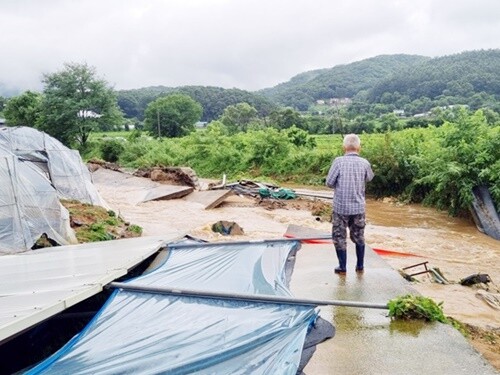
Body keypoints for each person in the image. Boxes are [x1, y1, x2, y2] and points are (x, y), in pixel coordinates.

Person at [326, 134, 374, 274]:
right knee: (359, 235)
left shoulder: (338, 162)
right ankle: (360, 266)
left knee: (339, 237)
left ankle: (342, 267)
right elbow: (369, 178)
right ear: (359, 147)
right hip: (358, 207)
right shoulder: (365, 163)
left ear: (344, 147)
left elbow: (329, 183)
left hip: (340, 207)